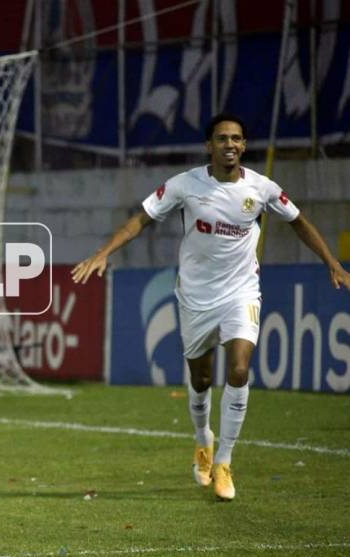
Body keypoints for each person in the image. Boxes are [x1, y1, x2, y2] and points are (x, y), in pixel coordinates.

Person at [71, 113, 350, 501]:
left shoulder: (262, 188)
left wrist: (332, 263)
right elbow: (142, 218)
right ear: (209, 146)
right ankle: (203, 440)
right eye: (222, 138)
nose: (230, 145)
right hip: (196, 297)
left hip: (241, 293)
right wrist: (104, 253)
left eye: (236, 138)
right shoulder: (185, 185)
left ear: (244, 145)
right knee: (201, 381)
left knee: (238, 369)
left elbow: (298, 221)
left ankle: (223, 461)